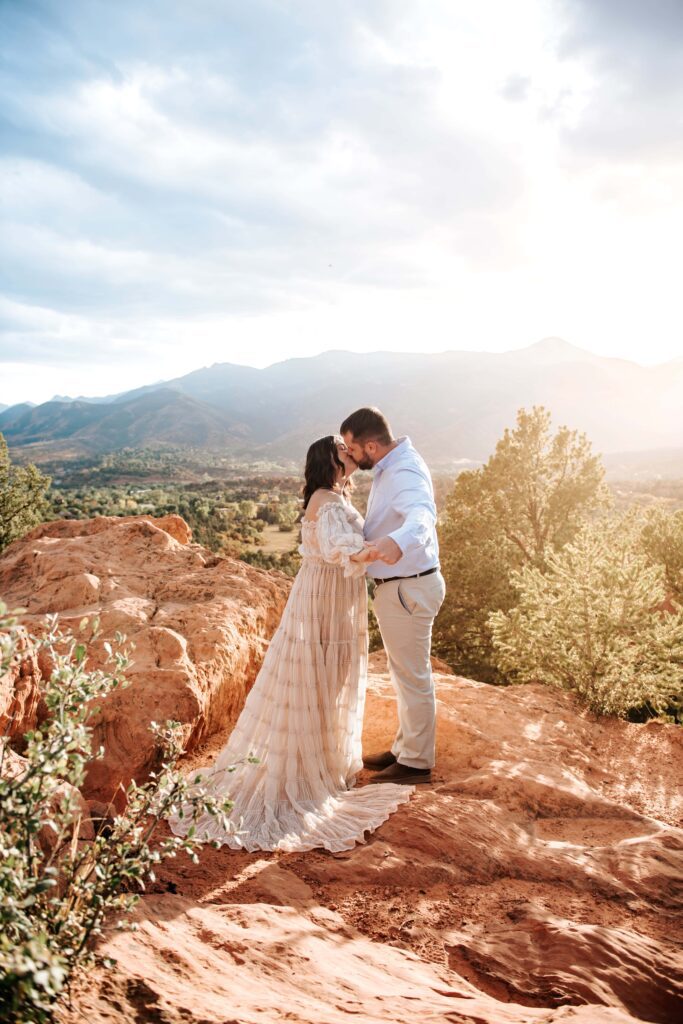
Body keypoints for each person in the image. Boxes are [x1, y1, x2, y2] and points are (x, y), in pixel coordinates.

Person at [167, 434, 416, 853]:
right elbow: (344, 551)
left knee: (327, 679)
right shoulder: (325, 499)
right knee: (314, 677)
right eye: (342, 451)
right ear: (330, 461)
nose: (350, 454)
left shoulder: (335, 496)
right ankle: (300, 771)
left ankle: (318, 760)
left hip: (336, 597)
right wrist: (390, 550)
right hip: (323, 597)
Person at [340, 407, 445, 786]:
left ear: (371, 444)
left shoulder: (403, 471)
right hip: (405, 586)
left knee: (413, 677)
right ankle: (404, 749)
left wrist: (395, 543)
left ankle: (416, 762)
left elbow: (422, 516)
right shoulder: (392, 464)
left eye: (352, 448)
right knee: (404, 675)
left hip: (407, 586)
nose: (349, 455)